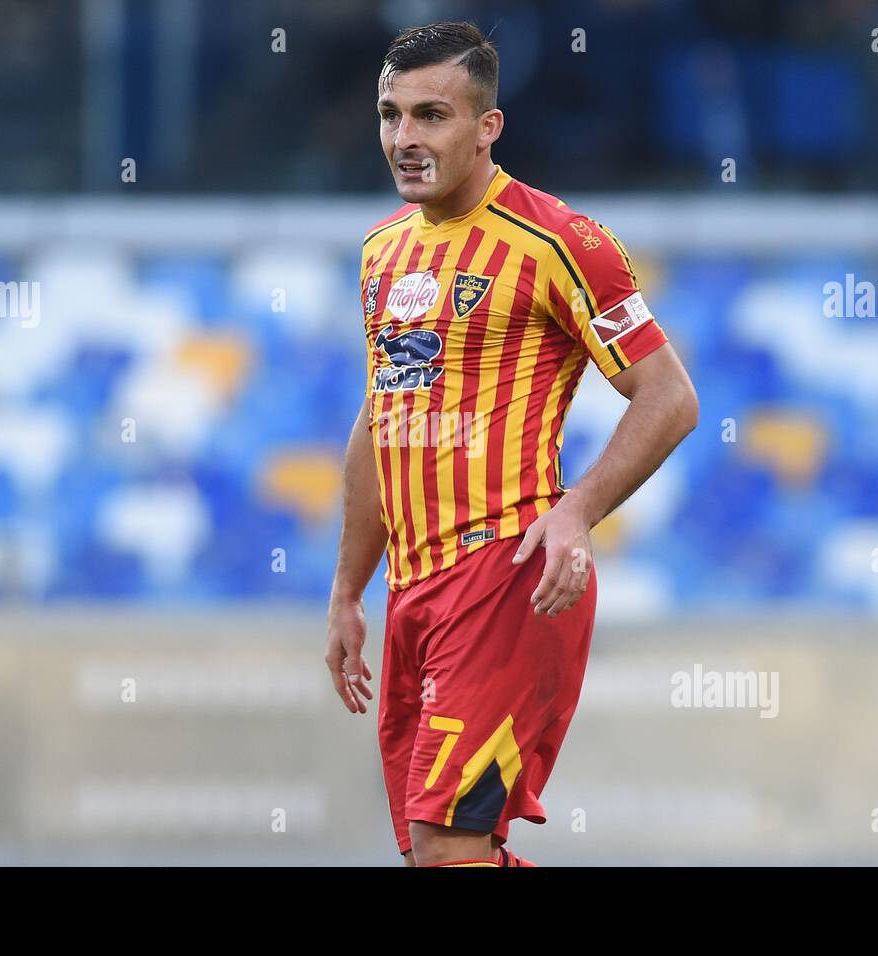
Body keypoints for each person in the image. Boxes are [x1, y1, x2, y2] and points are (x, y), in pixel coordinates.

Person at [325, 20, 698, 867]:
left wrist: (577, 511)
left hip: (506, 573)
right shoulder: (382, 253)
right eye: (390, 116)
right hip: (414, 592)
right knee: (439, 855)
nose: (404, 139)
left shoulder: (562, 240)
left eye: (432, 115)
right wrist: (350, 586)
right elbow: (380, 416)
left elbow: (669, 397)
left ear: (487, 126)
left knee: (448, 844)